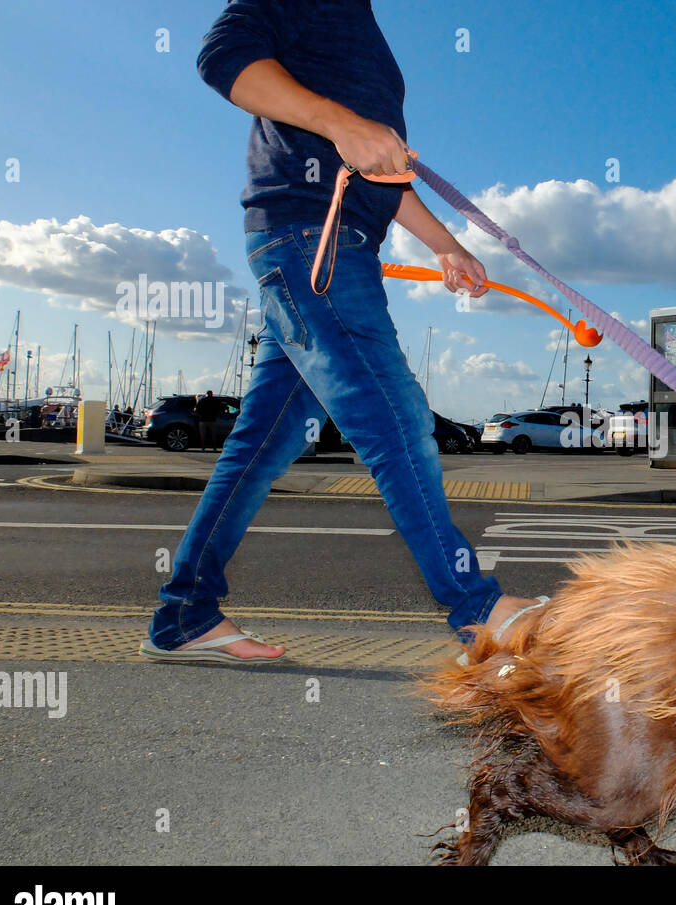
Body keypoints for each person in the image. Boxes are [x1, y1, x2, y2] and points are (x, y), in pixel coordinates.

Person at [143, 0, 540, 664]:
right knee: (398, 418)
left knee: (259, 448)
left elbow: (381, 172)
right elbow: (223, 58)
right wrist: (344, 122)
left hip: (323, 247)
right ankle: (477, 607)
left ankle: (184, 613)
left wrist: (448, 247)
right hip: (311, 243)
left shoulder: (362, 28)